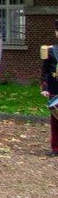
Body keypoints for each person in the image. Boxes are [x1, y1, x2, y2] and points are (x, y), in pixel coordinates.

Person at [38, 21, 58, 157]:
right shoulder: (50, 50)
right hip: (55, 89)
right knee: (56, 120)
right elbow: (45, 71)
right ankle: (56, 147)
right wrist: (45, 87)